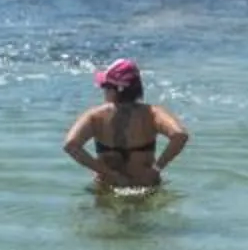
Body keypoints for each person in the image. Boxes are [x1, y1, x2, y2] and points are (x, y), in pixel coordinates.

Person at [63, 58, 188, 189]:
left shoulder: (95, 116)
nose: (103, 91)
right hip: (145, 185)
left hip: (109, 186)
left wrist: (108, 173)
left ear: (114, 90)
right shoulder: (152, 114)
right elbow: (180, 135)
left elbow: (70, 145)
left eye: (105, 87)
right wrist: (156, 169)